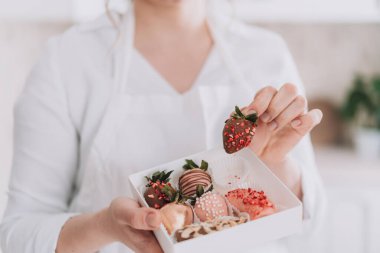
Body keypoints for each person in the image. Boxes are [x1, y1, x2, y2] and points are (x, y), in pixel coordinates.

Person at [0, 0, 326, 252]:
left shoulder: (265, 53)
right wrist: (104, 227)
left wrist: (275, 164)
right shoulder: (67, 60)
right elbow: (18, 234)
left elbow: (310, 224)